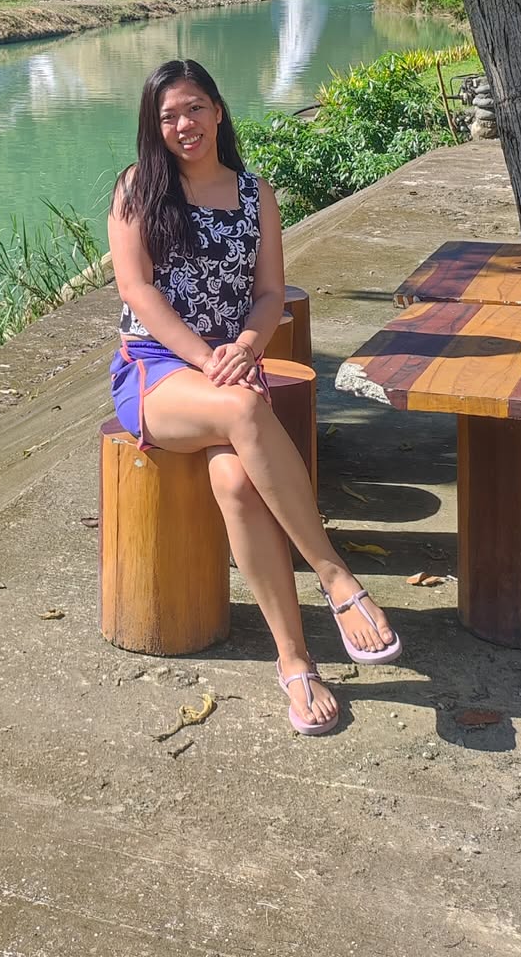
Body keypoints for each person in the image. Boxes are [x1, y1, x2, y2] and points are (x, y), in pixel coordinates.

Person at [108, 57, 401, 735]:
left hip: (234, 366)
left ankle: (295, 663)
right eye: (168, 116)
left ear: (218, 110)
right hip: (157, 370)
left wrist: (245, 345)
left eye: (195, 109)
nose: (184, 125)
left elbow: (271, 293)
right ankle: (335, 577)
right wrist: (207, 356)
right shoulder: (137, 190)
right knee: (242, 410)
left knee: (239, 485)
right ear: (155, 129)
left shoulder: (253, 193)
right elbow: (137, 292)